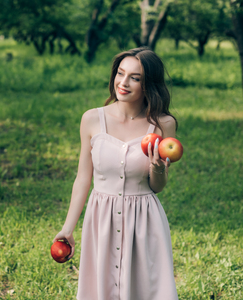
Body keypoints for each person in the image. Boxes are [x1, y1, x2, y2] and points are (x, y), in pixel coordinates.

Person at [52, 47, 179, 300]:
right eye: (120, 73)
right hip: (101, 219)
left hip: (144, 220)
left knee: (146, 289)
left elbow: (158, 186)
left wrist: (157, 168)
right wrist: (68, 227)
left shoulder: (163, 124)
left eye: (135, 77)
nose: (123, 82)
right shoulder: (91, 119)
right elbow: (83, 178)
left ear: (148, 84)